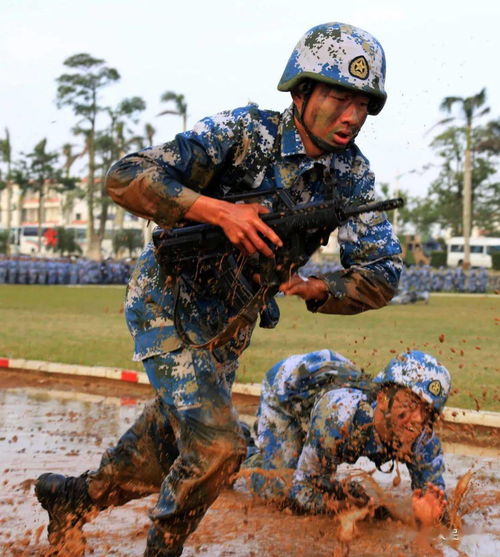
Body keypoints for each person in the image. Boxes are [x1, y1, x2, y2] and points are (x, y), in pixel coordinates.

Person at [35, 22, 402, 556]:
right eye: (338, 95)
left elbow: (382, 272)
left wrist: (319, 286)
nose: (351, 115)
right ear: (301, 92)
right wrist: (218, 210)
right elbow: (125, 175)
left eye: (363, 103)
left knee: (161, 452)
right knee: (221, 446)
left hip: (228, 326)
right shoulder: (244, 133)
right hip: (169, 301)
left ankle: (74, 498)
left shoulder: (352, 177)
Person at [242, 349, 450, 527]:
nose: (418, 419)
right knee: (278, 489)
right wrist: (353, 508)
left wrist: (431, 520)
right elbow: (302, 491)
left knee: (331, 485)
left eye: (428, 412)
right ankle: (243, 448)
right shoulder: (339, 417)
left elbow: (450, 533)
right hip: (287, 389)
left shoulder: (424, 442)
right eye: (411, 404)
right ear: (383, 399)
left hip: (326, 397)